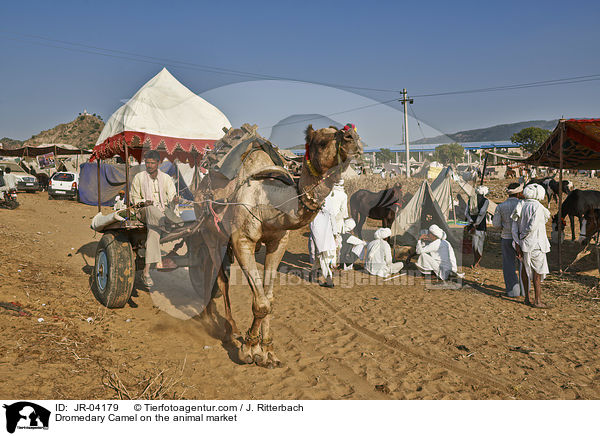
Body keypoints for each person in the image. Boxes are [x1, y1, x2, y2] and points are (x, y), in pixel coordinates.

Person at [130, 150, 178, 287]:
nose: (149, 165)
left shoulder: (166, 178)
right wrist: (145, 202)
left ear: (158, 163)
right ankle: (166, 222)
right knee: (151, 210)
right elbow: (134, 199)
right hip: (144, 212)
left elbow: (171, 197)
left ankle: (146, 272)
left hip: (159, 216)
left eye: (152, 163)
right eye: (147, 163)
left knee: (153, 232)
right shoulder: (139, 177)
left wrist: (175, 200)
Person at [511, 183, 551, 308]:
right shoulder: (538, 207)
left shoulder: (521, 205)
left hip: (524, 245)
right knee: (537, 273)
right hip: (536, 244)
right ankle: (538, 301)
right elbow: (532, 227)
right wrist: (523, 236)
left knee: (524, 270)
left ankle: (527, 298)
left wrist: (518, 242)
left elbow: (514, 227)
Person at [493, 182, 523, 297]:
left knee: (508, 264)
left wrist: (504, 227)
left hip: (506, 238)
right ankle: (525, 290)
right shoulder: (522, 204)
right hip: (520, 239)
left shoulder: (500, 206)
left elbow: (495, 225)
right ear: (519, 192)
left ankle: (512, 291)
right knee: (523, 264)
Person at [309, 195, 337, 288]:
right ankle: (326, 279)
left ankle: (316, 276)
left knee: (321, 258)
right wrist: (335, 233)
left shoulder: (318, 210)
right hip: (324, 238)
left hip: (323, 238)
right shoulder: (324, 209)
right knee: (323, 258)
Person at [466, 185, 489, 268]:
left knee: (474, 245)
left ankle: (475, 261)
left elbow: (466, 213)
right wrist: (476, 224)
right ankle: (476, 262)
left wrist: (471, 222)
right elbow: (482, 213)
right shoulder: (485, 201)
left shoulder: (470, 200)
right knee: (479, 245)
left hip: (471, 225)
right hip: (480, 226)